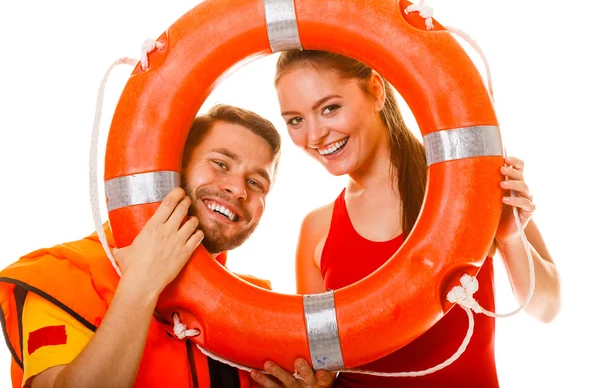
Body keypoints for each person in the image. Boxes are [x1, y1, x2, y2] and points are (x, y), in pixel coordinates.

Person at [250, 50, 561, 388]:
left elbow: (546, 308)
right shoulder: (316, 229)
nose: (313, 136)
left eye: (330, 108)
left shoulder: (465, 185)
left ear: (376, 91)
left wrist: (511, 237)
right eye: (295, 120)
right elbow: (323, 366)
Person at [0, 104, 281, 388]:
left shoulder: (258, 315)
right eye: (220, 164)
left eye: (256, 182)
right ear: (173, 166)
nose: (238, 189)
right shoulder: (60, 276)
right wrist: (141, 285)